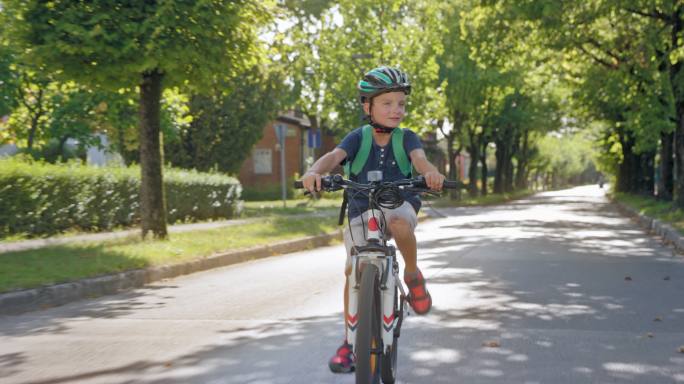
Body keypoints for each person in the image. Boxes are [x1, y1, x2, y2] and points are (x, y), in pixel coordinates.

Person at [301, 66, 446, 374]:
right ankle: (350, 340)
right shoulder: (358, 137)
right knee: (353, 269)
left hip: (399, 202)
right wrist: (315, 171)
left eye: (401, 104)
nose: (397, 110)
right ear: (368, 107)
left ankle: (411, 273)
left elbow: (420, 160)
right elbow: (334, 157)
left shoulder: (407, 138)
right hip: (361, 205)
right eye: (387, 103)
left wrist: (430, 173)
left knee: (398, 224)